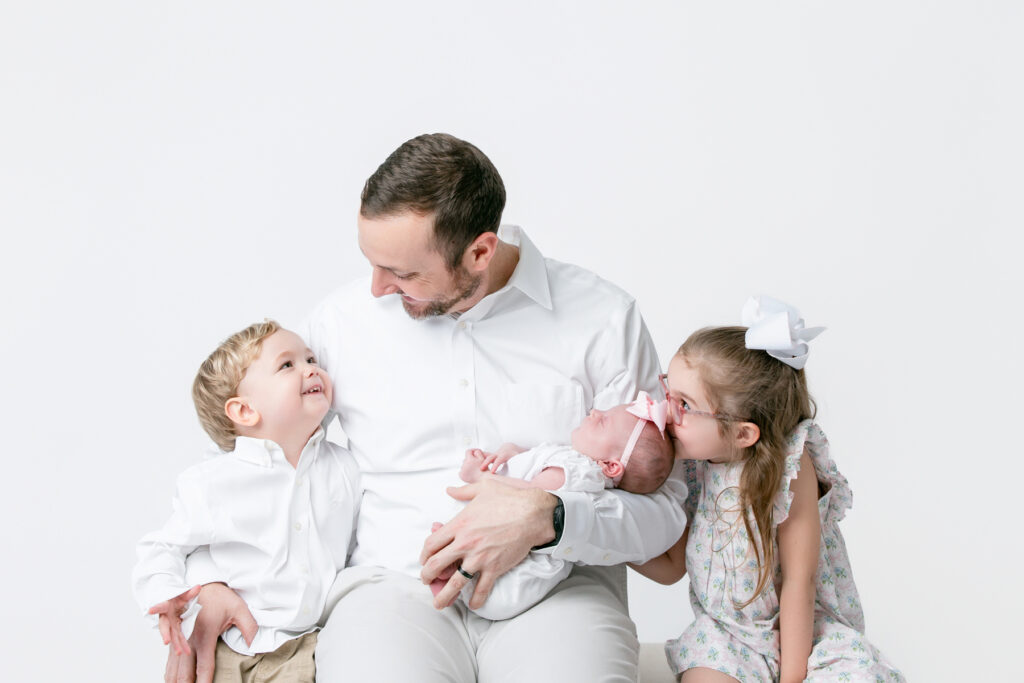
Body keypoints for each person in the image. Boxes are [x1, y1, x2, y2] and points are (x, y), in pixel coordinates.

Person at [167, 132, 689, 683]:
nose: (376, 289)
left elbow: (665, 517)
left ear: (479, 252)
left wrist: (551, 518)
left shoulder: (603, 318)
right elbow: (245, 463)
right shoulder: (341, 324)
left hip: (559, 591)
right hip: (391, 591)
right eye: (371, 262)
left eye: (404, 272)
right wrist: (211, 578)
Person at [632, 297, 904, 683]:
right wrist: (604, 542)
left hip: (805, 634)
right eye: (668, 392)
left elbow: (799, 579)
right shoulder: (688, 465)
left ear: (743, 434)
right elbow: (672, 568)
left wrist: (792, 678)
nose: (667, 411)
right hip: (727, 637)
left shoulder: (791, 467)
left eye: (685, 404)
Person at [134, 321, 360, 683]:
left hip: (308, 645)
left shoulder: (346, 467)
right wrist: (167, 595)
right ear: (244, 412)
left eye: (311, 358)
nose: (312, 369)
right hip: (230, 644)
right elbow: (164, 547)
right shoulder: (212, 482)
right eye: (287, 365)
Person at [446, 394, 677, 620]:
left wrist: (479, 476)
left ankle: (456, 579)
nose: (595, 412)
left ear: (610, 465)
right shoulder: (575, 460)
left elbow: (524, 498)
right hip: (503, 544)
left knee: (493, 592)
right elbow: (538, 461)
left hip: (519, 569)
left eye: (604, 420)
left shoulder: (576, 473)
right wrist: (514, 453)